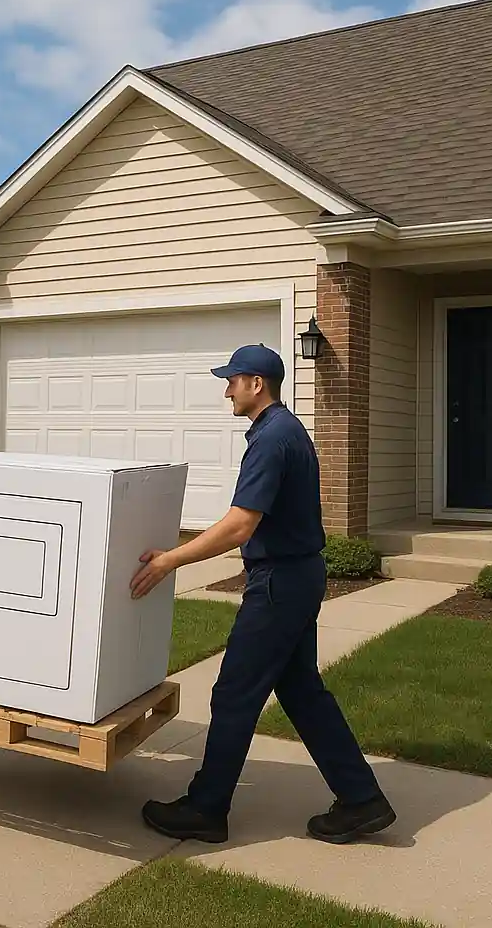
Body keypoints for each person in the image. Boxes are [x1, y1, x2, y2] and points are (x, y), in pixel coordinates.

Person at [130, 343, 395, 845]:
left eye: (233, 379)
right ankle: (362, 800)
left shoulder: (273, 439)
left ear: (257, 384)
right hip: (296, 576)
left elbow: (240, 526)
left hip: (279, 583)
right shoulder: (283, 432)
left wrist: (170, 559)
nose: (226, 388)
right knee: (300, 692)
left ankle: (207, 809)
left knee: (234, 693)